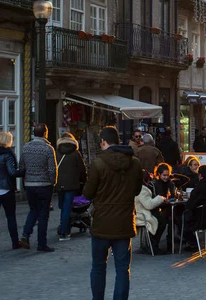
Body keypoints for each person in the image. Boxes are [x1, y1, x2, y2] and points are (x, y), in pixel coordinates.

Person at [83, 126, 144, 300]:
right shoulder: (134, 163)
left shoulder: (98, 163)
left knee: (98, 267)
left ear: (103, 142)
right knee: (123, 269)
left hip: (102, 222)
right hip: (124, 221)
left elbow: (87, 193)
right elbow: (137, 190)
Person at [19, 123, 57, 252]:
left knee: (33, 210)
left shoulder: (26, 148)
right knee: (43, 215)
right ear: (45, 133)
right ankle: (41, 243)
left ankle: (26, 234)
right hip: (44, 185)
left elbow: (22, 167)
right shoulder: (48, 149)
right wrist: (53, 183)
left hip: (30, 184)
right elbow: (52, 169)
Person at [56, 132, 87, 241]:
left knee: (62, 207)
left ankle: (63, 227)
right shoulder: (75, 153)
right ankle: (64, 232)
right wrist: (83, 181)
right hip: (72, 184)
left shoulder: (57, 152)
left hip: (59, 184)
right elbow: (82, 170)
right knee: (67, 208)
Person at [135, 170, 167, 255]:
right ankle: (153, 245)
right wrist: (160, 198)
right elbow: (149, 205)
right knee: (162, 220)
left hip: (137, 213)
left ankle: (151, 244)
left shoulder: (134, 187)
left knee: (160, 217)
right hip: (141, 215)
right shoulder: (142, 190)